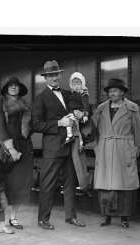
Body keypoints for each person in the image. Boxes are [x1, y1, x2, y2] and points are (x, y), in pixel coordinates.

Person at [32, 60, 86, 230]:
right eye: (50, 75)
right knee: (47, 184)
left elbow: (80, 108)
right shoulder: (40, 99)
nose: (54, 77)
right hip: (53, 148)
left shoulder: (69, 93)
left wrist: (79, 113)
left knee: (71, 184)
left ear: (60, 75)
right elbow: (36, 125)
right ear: (45, 78)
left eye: (56, 74)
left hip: (69, 146)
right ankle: (43, 219)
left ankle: (71, 217)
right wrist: (59, 123)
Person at [93, 78, 140, 227]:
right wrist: (97, 148)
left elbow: (138, 131)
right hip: (105, 149)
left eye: (115, 91)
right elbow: (94, 130)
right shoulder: (101, 108)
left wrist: (135, 150)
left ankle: (124, 218)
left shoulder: (131, 108)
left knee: (124, 186)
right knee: (105, 185)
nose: (112, 93)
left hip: (124, 150)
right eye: (110, 91)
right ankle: (106, 216)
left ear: (122, 93)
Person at [0, 77, 33, 230]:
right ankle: (1, 218)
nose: (13, 88)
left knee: (20, 185)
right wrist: (11, 149)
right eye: (10, 86)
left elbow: (31, 125)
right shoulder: (1, 105)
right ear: (6, 89)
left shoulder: (25, 105)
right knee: (6, 184)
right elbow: (0, 127)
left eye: (16, 86)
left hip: (24, 146)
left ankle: (13, 218)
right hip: (8, 147)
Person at [65, 72, 90, 144]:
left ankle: (80, 140)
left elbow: (86, 105)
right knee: (68, 122)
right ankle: (70, 135)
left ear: (82, 83)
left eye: (78, 84)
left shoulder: (84, 93)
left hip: (79, 112)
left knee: (77, 126)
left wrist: (85, 115)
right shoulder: (71, 94)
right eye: (74, 84)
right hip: (72, 112)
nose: (76, 86)